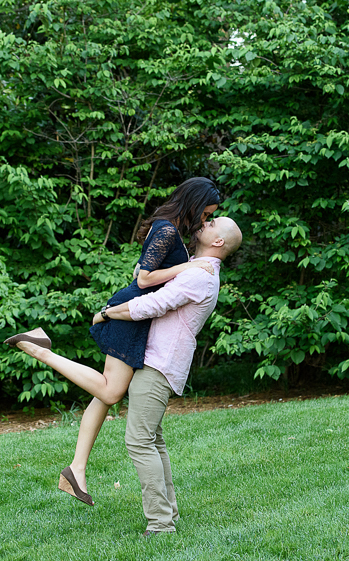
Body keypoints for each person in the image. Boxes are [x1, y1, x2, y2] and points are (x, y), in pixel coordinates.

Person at [4, 177, 220, 505]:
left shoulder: (167, 229)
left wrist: (186, 265)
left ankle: (76, 470)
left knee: (104, 396)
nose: (204, 221)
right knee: (110, 390)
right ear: (194, 203)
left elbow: (143, 269)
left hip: (137, 317)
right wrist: (189, 267)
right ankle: (37, 347)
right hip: (131, 314)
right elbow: (143, 277)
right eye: (206, 214)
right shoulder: (165, 230)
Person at [90, 216, 242, 535]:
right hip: (156, 359)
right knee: (152, 440)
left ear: (218, 242)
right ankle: (167, 513)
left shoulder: (201, 276)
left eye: (212, 222)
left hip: (160, 363)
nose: (205, 221)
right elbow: (145, 279)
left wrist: (105, 314)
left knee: (138, 440)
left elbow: (153, 305)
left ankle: (160, 524)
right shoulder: (193, 266)